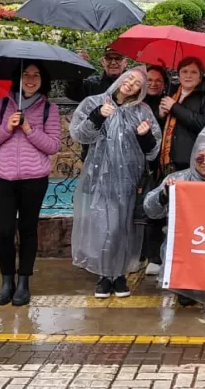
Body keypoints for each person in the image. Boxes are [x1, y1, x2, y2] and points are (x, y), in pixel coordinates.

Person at [70, 67, 162, 299]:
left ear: (140, 91)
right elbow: (79, 135)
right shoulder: (95, 102)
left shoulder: (143, 111)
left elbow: (153, 151)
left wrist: (145, 137)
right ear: (121, 78)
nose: (131, 84)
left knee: (122, 227)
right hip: (99, 177)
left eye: (137, 83)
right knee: (103, 225)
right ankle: (104, 275)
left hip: (129, 180)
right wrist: (98, 116)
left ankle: (119, 274)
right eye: (129, 78)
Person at [0, 62, 61, 307]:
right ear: (19, 77)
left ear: (42, 80)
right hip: (4, 178)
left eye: (36, 75)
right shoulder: (2, 104)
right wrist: (7, 127)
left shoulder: (49, 108)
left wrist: (28, 128)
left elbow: (53, 146)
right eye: (26, 74)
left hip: (34, 179)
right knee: (4, 231)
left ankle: (23, 282)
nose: (30, 79)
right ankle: (7, 282)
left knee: (27, 230)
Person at [144, 128, 205, 314]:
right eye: (200, 158)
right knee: (186, 300)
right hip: (189, 250)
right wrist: (164, 195)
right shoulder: (177, 180)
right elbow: (150, 210)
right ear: (192, 160)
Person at [158, 57, 205, 175]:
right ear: (179, 74)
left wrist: (174, 107)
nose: (188, 76)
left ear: (200, 75)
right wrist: (161, 116)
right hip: (167, 162)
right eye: (185, 71)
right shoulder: (170, 92)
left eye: (194, 72)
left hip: (195, 163)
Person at [140, 65, 171, 276]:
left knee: (159, 207)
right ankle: (143, 253)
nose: (153, 84)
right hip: (139, 163)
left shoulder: (168, 102)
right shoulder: (138, 102)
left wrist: (162, 116)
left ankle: (157, 256)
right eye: (149, 80)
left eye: (158, 80)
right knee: (142, 210)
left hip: (162, 163)